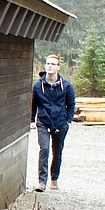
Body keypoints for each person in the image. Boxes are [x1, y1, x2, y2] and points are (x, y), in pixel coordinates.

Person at [31, 54, 75, 192]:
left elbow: (71, 103)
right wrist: (32, 120)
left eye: (53, 64)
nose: (49, 66)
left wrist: (67, 120)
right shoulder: (38, 85)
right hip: (43, 121)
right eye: (48, 63)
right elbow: (33, 104)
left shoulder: (66, 86)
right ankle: (41, 182)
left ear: (58, 67)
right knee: (44, 149)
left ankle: (54, 179)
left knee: (57, 152)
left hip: (60, 123)